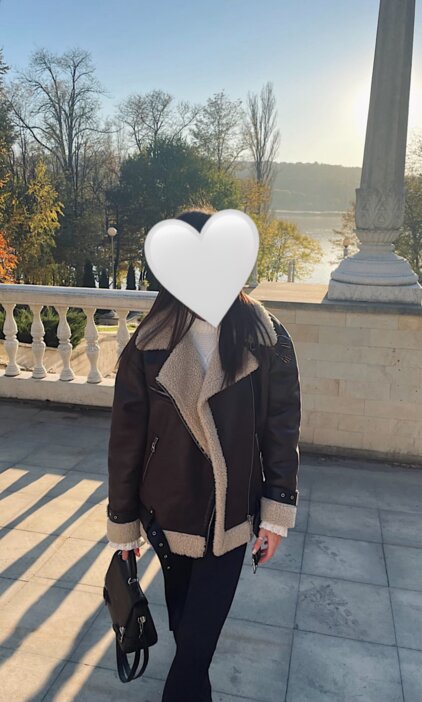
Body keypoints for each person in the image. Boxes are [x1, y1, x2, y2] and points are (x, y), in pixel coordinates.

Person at [106, 206, 301, 702]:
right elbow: (126, 438)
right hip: (166, 513)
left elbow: (281, 427)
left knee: (195, 643)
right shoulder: (148, 343)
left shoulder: (266, 336)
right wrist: (123, 523)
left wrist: (276, 512)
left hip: (231, 516)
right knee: (188, 634)